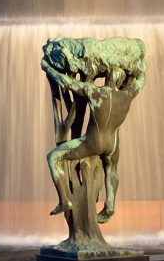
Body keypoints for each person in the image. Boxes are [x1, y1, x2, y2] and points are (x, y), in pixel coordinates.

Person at [42, 61, 145, 223]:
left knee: (54, 157)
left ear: (108, 77)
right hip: (112, 143)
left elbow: (67, 83)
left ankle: (64, 200)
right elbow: (141, 80)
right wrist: (140, 66)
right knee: (111, 169)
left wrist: (48, 68)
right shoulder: (127, 95)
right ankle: (110, 205)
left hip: (94, 141)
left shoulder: (94, 92)